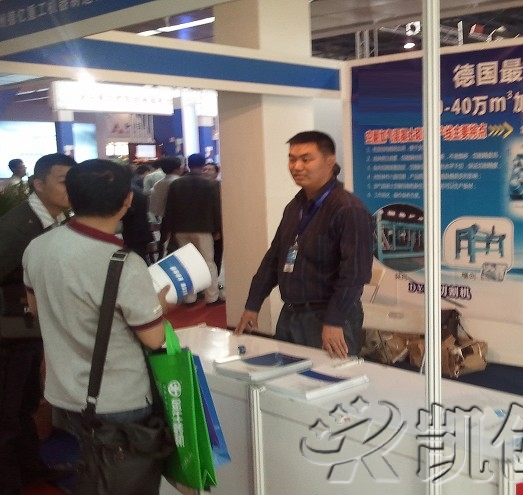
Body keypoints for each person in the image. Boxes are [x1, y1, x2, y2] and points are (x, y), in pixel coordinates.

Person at [22, 159, 170, 495]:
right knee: (125, 482)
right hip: (119, 398)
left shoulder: (38, 246)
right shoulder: (122, 262)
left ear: (72, 196)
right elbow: (153, 337)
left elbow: (36, 308)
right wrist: (159, 306)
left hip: (64, 391)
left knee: (93, 472)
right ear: (127, 201)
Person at [235, 131, 373, 359]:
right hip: (291, 314)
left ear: (329, 162)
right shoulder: (295, 206)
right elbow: (274, 258)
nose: (297, 166)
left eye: (306, 159)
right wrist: (253, 304)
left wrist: (335, 320)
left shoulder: (348, 209)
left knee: (330, 379)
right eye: (292, 159)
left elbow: (355, 274)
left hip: (329, 318)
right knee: (288, 376)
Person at [0, 153, 77, 495]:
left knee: (26, 404)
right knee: (6, 412)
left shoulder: (53, 219)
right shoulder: (19, 227)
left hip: (29, 330)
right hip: (9, 334)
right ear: (38, 184)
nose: (70, 188)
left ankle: (31, 467)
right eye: (63, 181)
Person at [161, 153, 224, 306]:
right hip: (203, 228)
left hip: (180, 229)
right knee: (208, 262)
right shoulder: (211, 184)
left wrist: (168, 230)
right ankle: (212, 296)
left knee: (187, 262)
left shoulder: (176, 184)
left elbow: (169, 209)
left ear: (187, 165)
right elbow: (216, 209)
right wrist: (218, 229)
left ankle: (189, 297)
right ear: (203, 165)